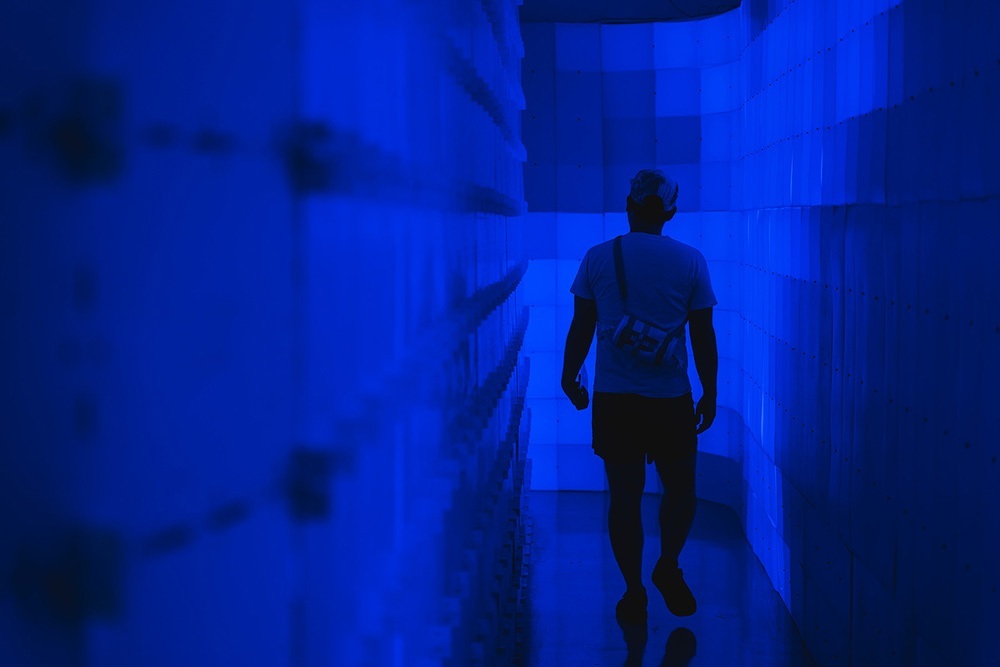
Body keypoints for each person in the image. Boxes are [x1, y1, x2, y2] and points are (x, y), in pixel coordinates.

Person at [560, 168, 718, 625]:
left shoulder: (597, 258)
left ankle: (633, 591)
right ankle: (668, 565)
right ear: (671, 212)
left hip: (616, 400)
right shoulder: (691, 261)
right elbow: (703, 335)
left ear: (629, 206)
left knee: (624, 499)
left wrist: (569, 377)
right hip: (671, 397)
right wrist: (710, 390)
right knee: (682, 490)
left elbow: (581, 327)